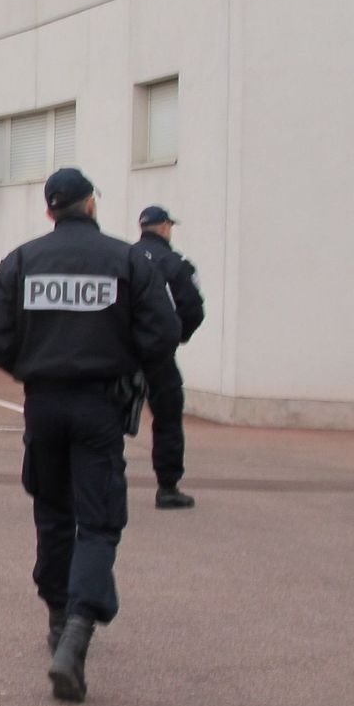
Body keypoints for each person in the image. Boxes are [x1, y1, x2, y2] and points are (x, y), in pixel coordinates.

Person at [0, 168, 181, 704]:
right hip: (99, 405)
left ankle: (57, 615)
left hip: (43, 404)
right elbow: (164, 331)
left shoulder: (22, 260)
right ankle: (77, 633)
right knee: (98, 519)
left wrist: (31, 368)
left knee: (51, 509)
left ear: (49, 211)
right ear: (91, 204)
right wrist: (125, 363)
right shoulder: (129, 259)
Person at [132, 206, 205, 509]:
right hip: (159, 353)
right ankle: (168, 487)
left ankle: (99, 481)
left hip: (121, 351)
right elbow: (192, 307)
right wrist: (179, 335)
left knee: (106, 415)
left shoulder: (124, 256)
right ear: (163, 227)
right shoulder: (175, 263)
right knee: (168, 416)